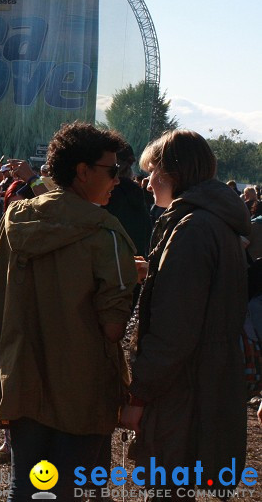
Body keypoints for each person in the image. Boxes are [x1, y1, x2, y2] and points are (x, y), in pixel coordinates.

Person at [0, 122, 138, 502]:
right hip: (82, 388)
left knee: (27, 487)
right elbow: (113, 328)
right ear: (83, 171)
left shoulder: (16, 219)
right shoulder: (106, 235)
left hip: (22, 377)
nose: (118, 180)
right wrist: (134, 277)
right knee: (69, 491)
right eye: (113, 171)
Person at [120, 130, 250, 500]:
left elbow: (174, 330)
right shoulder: (214, 222)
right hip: (206, 382)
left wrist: (138, 397)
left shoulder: (191, 228)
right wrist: (158, 271)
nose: (147, 184)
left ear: (173, 173)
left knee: (167, 491)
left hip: (184, 390)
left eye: (152, 172)